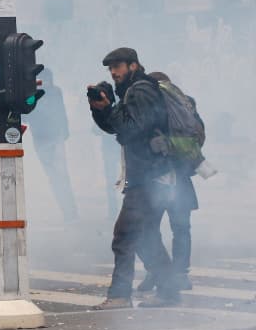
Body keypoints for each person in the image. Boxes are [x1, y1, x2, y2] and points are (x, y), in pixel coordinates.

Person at [88, 47, 179, 309]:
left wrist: (110, 109)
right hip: (150, 177)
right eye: (111, 68)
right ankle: (170, 290)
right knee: (146, 236)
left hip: (148, 178)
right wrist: (100, 109)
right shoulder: (133, 91)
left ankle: (119, 295)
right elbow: (118, 126)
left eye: (118, 67)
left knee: (125, 236)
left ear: (133, 65)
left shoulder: (141, 90)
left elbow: (130, 129)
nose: (114, 72)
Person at [135, 71, 198, 294]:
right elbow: (197, 138)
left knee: (148, 228)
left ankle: (157, 271)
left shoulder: (149, 106)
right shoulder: (185, 104)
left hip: (157, 178)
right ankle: (179, 273)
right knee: (181, 228)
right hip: (180, 177)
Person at [27, 68, 78, 222]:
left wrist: (64, 132)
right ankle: (68, 211)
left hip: (55, 138)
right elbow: (25, 113)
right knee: (54, 176)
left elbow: (61, 112)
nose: (44, 83)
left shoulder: (56, 92)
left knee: (61, 175)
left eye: (47, 79)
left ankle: (70, 212)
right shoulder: (32, 95)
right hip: (40, 138)